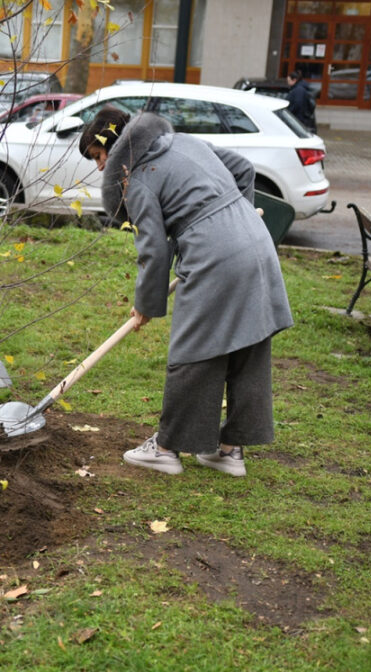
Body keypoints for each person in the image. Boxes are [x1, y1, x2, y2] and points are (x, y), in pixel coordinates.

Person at [78, 106, 293, 477]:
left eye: (99, 157)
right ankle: (229, 451)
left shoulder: (139, 178)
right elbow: (241, 168)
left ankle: (165, 449)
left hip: (216, 257)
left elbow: (154, 250)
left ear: (114, 148)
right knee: (247, 346)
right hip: (256, 244)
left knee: (193, 351)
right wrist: (238, 211)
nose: (100, 168)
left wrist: (145, 304)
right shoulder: (186, 142)